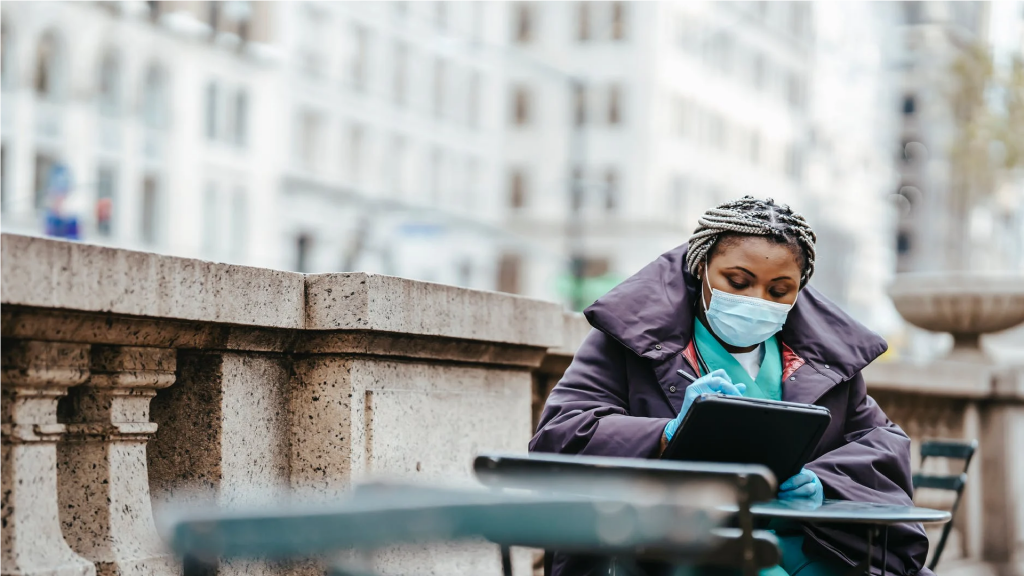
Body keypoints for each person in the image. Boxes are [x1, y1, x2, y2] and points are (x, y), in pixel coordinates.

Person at [530, 196, 931, 576]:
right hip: (667, 551)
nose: (757, 300)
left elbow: (884, 445)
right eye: (737, 281)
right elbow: (559, 436)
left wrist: (823, 483)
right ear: (700, 265)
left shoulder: (830, 359)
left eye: (779, 291)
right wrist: (665, 437)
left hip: (810, 547)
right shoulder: (626, 339)